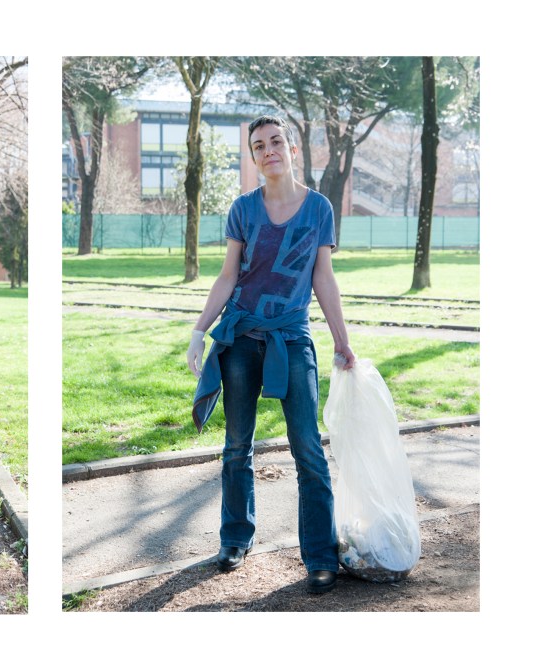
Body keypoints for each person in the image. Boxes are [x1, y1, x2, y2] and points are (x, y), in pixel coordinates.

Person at [187, 115, 355, 594]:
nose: (268, 150)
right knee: (238, 445)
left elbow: (323, 277)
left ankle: (321, 556)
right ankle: (236, 538)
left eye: (276, 141)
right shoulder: (243, 209)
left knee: (307, 448)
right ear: (254, 157)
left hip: (292, 338)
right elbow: (227, 275)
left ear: (293, 149)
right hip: (240, 337)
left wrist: (341, 340)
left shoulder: (319, 208)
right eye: (258, 146)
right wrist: (200, 330)